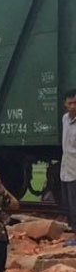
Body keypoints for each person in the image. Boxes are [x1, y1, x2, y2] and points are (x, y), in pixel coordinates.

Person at [60, 89, 76, 244]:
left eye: (75, 103)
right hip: (66, 168)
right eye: (70, 103)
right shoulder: (65, 119)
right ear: (65, 104)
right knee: (67, 203)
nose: (72, 106)